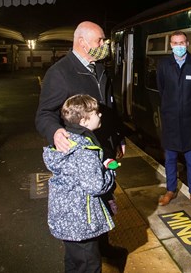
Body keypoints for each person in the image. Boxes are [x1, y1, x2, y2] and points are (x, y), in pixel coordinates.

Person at [35, 21, 126, 257]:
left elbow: (110, 108)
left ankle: (103, 246)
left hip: (103, 147)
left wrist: (119, 137)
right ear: (82, 42)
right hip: (82, 155)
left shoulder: (99, 68)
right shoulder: (60, 73)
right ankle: (88, 253)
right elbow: (44, 114)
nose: (104, 45)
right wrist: (54, 132)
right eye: (100, 40)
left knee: (104, 198)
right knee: (86, 206)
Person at [43, 94, 117, 272]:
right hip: (82, 220)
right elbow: (95, 186)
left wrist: (99, 165)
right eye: (96, 113)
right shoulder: (85, 149)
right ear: (84, 121)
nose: (100, 115)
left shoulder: (68, 140)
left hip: (67, 216)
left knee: (74, 261)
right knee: (89, 264)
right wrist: (110, 172)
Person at [156, 31, 191, 210]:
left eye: (181, 42)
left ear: (187, 44)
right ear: (171, 45)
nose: (178, 46)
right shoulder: (163, 65)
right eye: (175, 43)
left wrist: (188, 106)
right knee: (170, 158)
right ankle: (170, 190)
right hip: (170, 120)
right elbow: (162, 90)